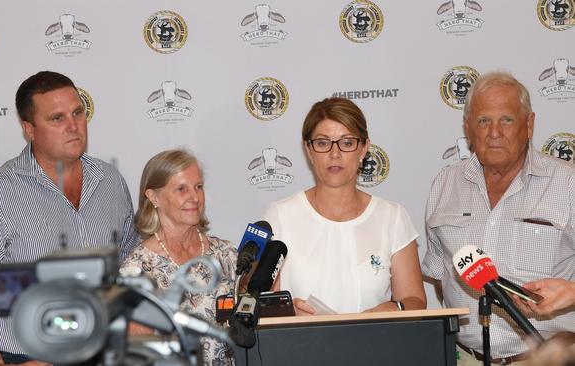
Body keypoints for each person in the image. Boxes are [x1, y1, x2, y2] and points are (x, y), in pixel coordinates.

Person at [0, 71, 138, 365]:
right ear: (29, 129)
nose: (73, 126)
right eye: (57, 118)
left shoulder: (110, 181)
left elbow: (131, 270)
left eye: (78, 112)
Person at [422, 71, 575, 365]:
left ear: (529, 125)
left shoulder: (566, 184)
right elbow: (441, 275)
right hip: (464, 358)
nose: (494, 132)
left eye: (506, 120)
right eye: (483, 121)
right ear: (468, 128)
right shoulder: (445, 184)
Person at [263, 97, 426, 315]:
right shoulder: (280, 215)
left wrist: (394, 307)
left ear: (363, 149)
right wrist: (287, 312)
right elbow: (262, 301)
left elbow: (414, 300)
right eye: (323, 143)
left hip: (375, 343)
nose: (335, 154)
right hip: (300, 345)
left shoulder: (392, 217)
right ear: (309, 151)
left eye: (347, 142)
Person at [120, 149, 236, 366]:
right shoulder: (137, 270)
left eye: (198, 187)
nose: (194, 197)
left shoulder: (226, 254)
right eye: (181, 189)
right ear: (153, 197)